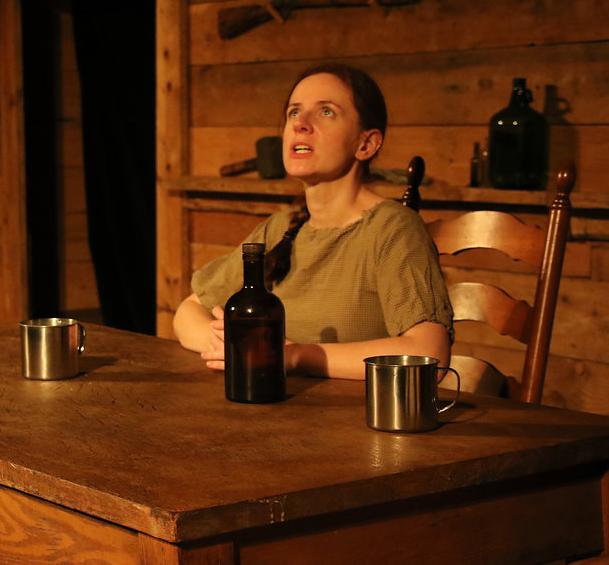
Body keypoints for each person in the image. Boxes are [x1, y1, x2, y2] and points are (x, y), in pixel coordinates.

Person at [173, 63, 453, 380]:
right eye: (294, 112)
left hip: (351, 409)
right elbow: (188, 313)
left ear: (366, 144)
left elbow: (429, 354)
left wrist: (294, 356)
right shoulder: (280, 229)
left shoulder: (391, 229)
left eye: (326, 112)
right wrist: (237, 347)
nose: (300, 124)